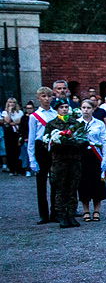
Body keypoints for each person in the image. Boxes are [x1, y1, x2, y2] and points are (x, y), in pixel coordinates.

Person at [44, 98, 86, 228]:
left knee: (72, 189)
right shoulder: (51, 124)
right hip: (59, 161)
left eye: (66, 107)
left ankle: (71, 215)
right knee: (60, 189)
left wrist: (77, 142)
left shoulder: (76, 123)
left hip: (74, 160)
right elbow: (46, 142)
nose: (64, 109)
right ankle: (61, 216)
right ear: (57, 109)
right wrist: (58, 141)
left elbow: (84, 139)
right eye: (61, 107)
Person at [27, 86, 57, 223]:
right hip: (40, 148)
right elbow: (32, 138)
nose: (46, 99)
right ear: (39, 98)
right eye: (43, 96)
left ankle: (55, 212)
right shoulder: (34, 117)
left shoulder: (55, 114)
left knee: (55, 181)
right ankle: (43, 214)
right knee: (41, 182)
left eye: (48, 96)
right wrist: (32, 159)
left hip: (53, 147)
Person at [78, 99, 106, 221]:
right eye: (84, 108)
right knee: (83, 183)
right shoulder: (77, 123)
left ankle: (96, 210)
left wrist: (105, 158)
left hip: (96, 155)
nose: (86, 110)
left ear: (93, 109)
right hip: (82, 155)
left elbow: (104, 141)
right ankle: (85, 210)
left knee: (97, 183)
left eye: (88, 108)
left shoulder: (99, 123)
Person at [2, 98, 24, 175]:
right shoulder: (5, 112)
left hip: (17, 132)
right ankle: (12, 168)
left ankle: (19, 168)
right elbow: (7, 121)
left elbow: (20, 121)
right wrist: (9, 112)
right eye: (10, 102)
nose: (12, 104)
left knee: (18, 150)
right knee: (10, 150)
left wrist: (14, 123)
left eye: (13, 102)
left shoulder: (20, 112)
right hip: (9, 133)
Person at [18, 101, 34, 176]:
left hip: (34, 137)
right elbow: (21, 128)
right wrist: (24, 137)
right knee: (25, 153)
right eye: (27, 108)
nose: (29, 110)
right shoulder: (24, 118)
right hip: (26, 138)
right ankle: (27, 169)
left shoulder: (35, 116)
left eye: (30, 108)